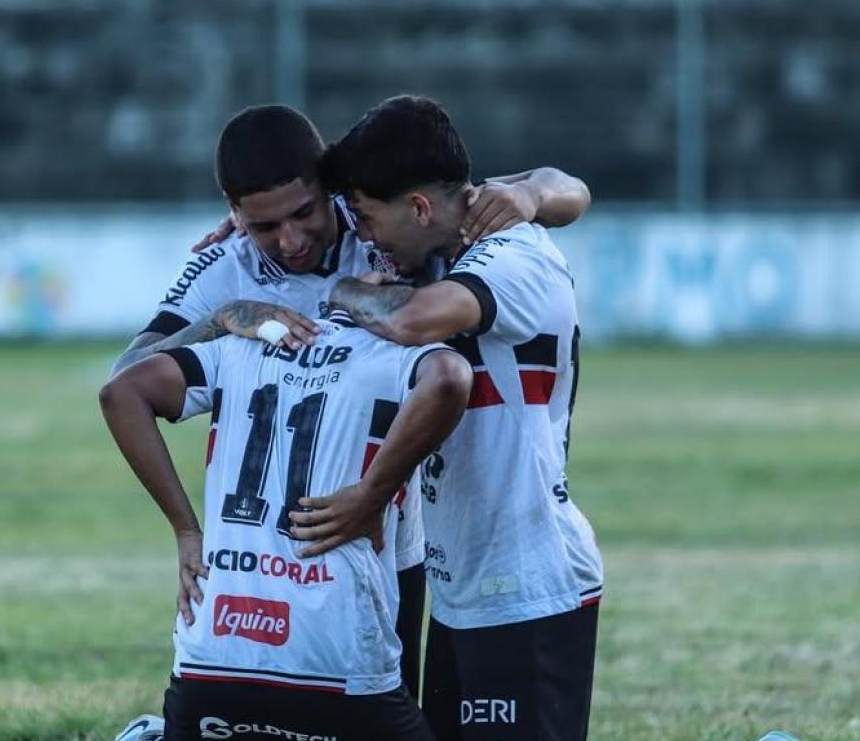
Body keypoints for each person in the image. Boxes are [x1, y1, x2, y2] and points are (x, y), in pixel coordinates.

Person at [277, 95, 860, 741]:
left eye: (364, 216)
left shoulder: (512, 257)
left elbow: (409, 320)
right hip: (466, 572)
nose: (359, 235)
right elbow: (557, 184)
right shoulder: (445, 237)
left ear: (420, 205)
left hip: (528, 574)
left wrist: (334, 287)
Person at [109, 104, 591, 700]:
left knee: (393, 739)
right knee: (262, 721)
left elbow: (559, 191)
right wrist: (225, 319)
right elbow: (127, 376)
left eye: (304, 213)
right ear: (234, 215)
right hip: (266, 548)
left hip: (394, 532)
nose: (290, 241)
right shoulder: (223, 270)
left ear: (328, 189)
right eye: (263, 227)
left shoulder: (381, 222)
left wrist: (536, 192)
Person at [45, 309, 474, 741]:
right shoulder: (391, 354)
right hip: (337, 660)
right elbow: (449, 378)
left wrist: (184, 528)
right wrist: (374, 492)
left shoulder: (235, 347)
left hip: (213, 655)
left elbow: (120, 391)